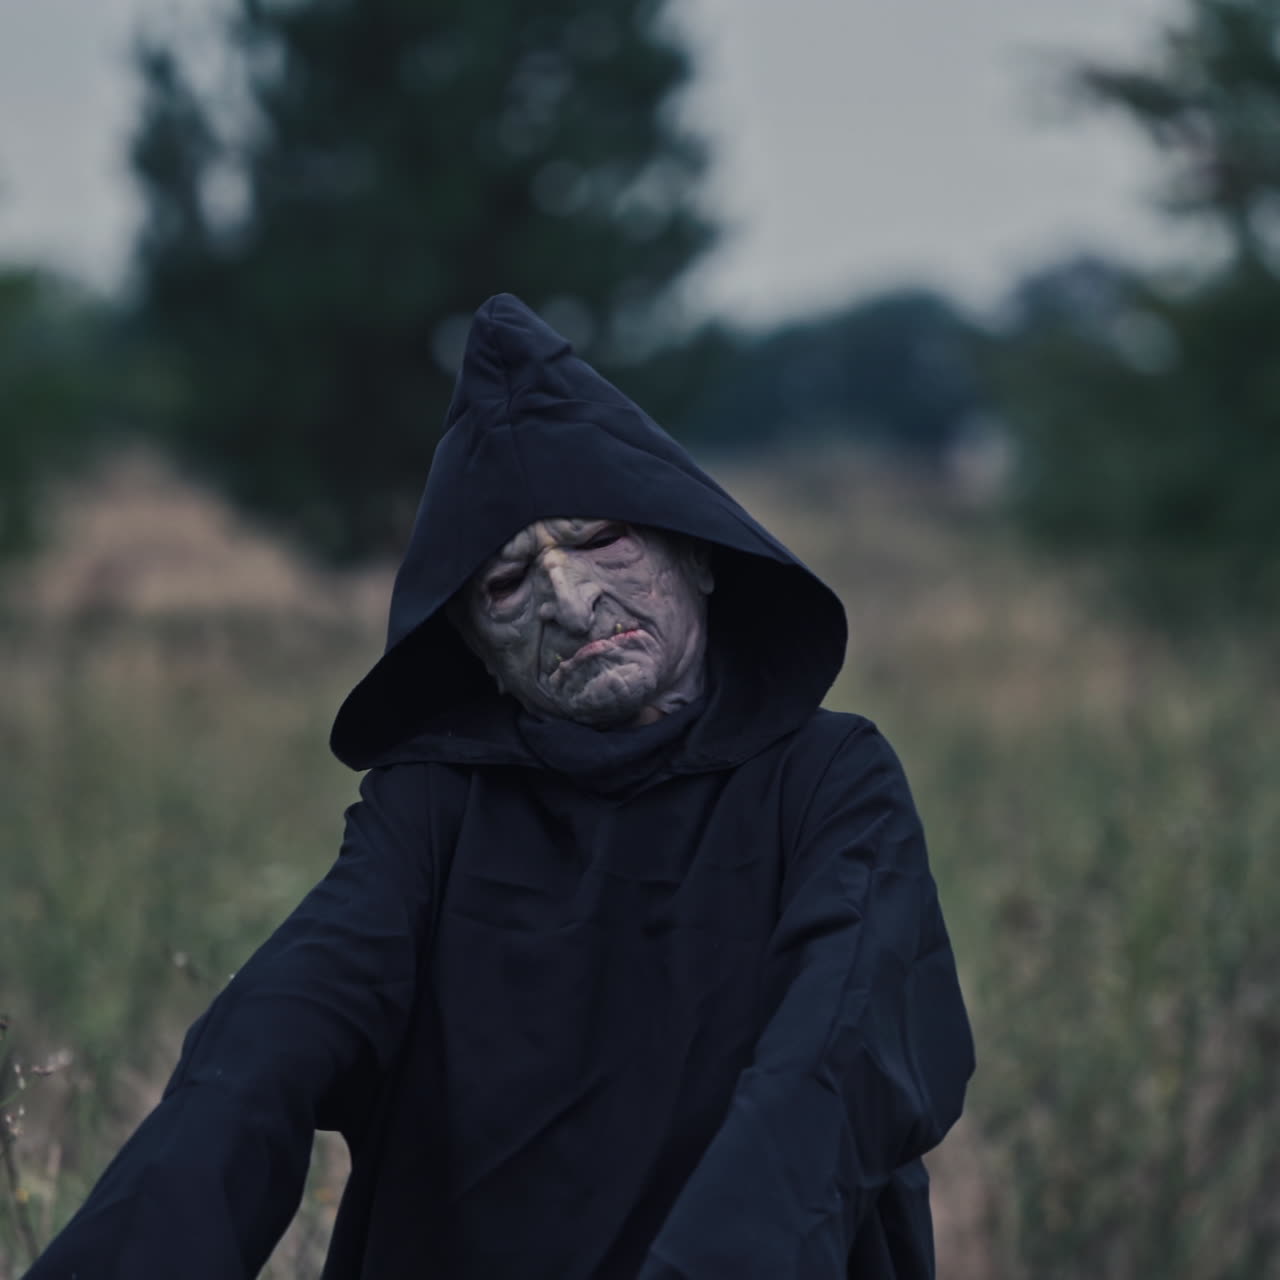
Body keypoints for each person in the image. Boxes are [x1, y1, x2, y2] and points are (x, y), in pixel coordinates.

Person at [28, 294, 974, 1279]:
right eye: (508, 582)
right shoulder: (433, 809)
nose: (570, 598)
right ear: (476, 648)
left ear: (694, 550)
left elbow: (834, 1061)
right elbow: (268, 1041)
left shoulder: (828, 776)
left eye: (602, 538)